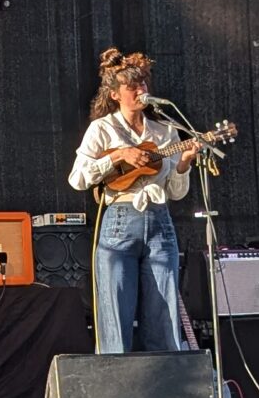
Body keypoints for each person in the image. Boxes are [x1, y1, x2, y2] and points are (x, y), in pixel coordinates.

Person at [68, 49, 193, 355]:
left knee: (163, 310)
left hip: (160, 221)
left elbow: (176, 192)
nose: (140, 91)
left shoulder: (165, 131)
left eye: (143, 84)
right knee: (115, 307)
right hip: (120, 220)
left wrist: (184, 163)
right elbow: (78, 178)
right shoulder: (103, 128)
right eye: (132, 86)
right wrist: (118, 155)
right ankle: (116, 376)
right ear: (115, 94)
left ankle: (166, 376)